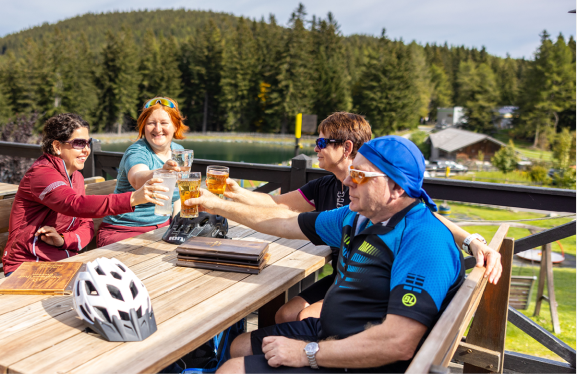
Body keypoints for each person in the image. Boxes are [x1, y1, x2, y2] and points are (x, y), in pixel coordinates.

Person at [187, 136, 466, 373]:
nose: (347, 182)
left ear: (396, 188)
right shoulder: (356, 217)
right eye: (350, 172)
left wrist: (307, 353)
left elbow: (398, 342)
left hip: (364, 360)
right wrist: (217, 205)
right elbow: (281, 222)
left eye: (359, 175)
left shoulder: (423, 240)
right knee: (239, 345)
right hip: (331, 333)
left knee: (231, 370)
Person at [223, 112, 501, 324]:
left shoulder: (382, 190)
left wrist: (472, 241)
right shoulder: (325, 185)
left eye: (321, 142)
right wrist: (236, 193)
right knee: (286, 315)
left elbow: (428, 221)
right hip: (344, 273)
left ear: (345, 147)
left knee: (303, 318)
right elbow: (278, 205)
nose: (315, 148)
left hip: (367, 281)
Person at [2, 113, 169, 275]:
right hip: (27, 266)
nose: (86, 150)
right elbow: (74, 204)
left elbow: (87, 225)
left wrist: (63, 240)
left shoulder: (77, 177)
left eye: (88, 143)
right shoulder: (41, 174)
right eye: (79, 143)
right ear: (57, 146)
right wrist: (132, 198)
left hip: (64, 263)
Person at [98, 97, 188, 247]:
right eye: (151, 123)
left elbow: (177, 196)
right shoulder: (137, 151)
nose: (157, 129)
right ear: (143, 127)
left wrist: (177, 226)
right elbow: (137, 179)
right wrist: (162, 171)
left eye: (164, 123)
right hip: (123, 230)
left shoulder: (179, 151)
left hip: (162, 229)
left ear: (175, 126)